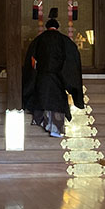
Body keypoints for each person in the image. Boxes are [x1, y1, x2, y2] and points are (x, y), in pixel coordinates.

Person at [23, 8, 84, 137]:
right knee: (56, 103)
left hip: (42, 77)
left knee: (42, 99)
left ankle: (41, 123)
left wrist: (33, 73)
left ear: (47, 27)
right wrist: (66, 78)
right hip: (58, 77)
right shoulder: (65, 41)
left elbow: (31, 60)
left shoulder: (38, 40)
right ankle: (55, 129)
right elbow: (71, 61)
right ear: (57, 27)